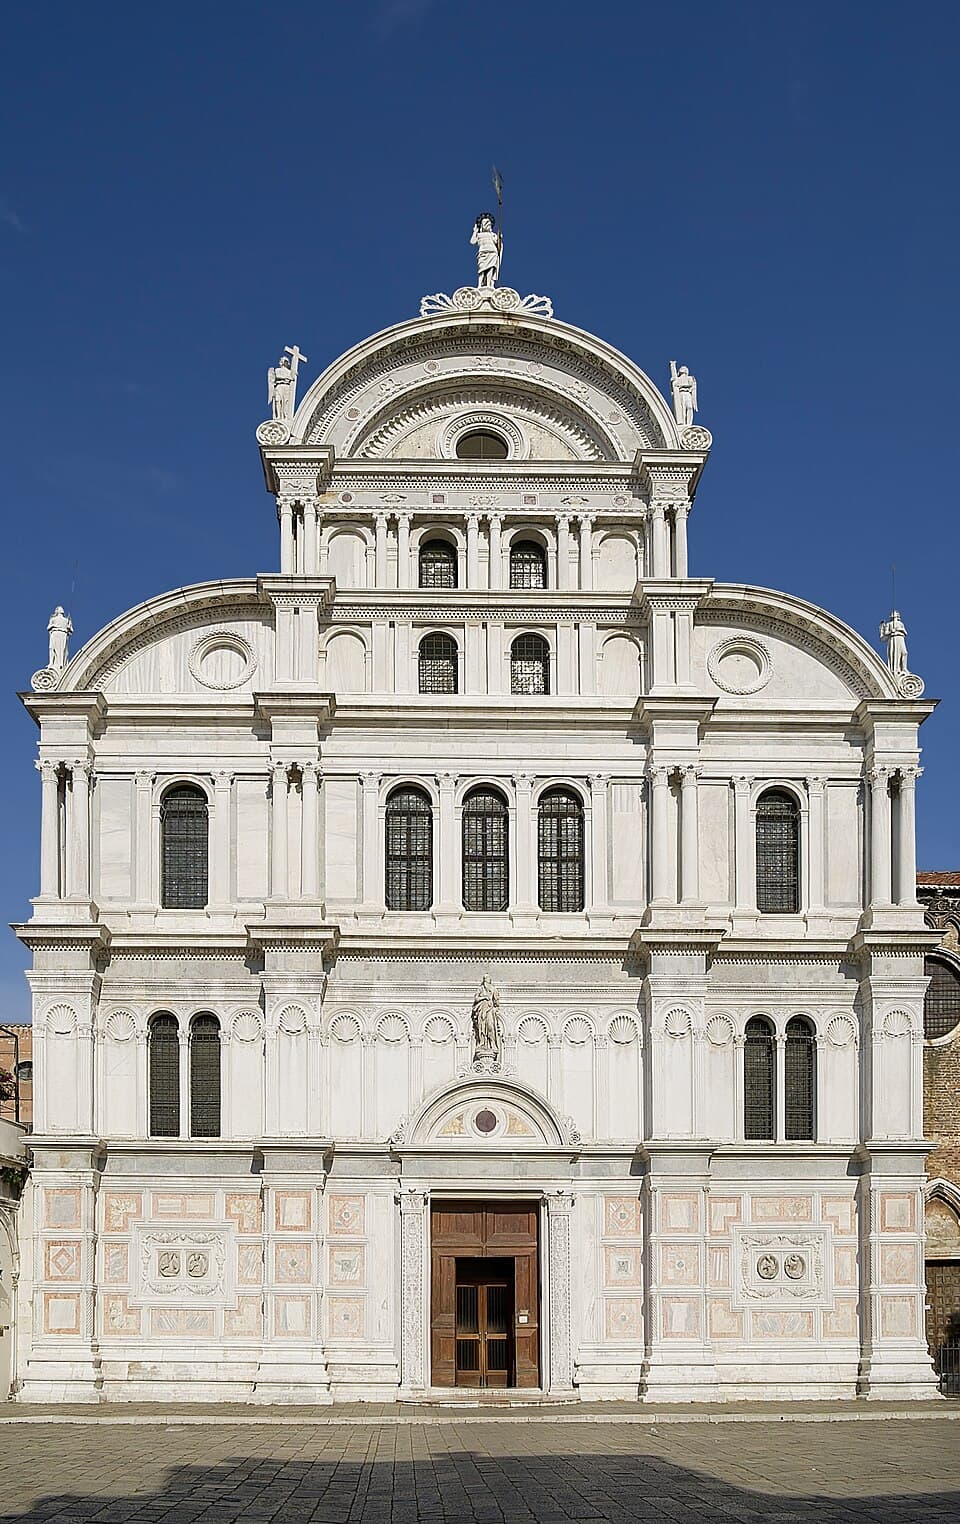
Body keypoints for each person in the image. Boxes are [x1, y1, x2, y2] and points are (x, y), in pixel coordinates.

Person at [470, 213, 501, 289]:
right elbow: (472, 241)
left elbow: (498, 243)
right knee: (482, 270)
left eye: (488, 223)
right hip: (482, 252)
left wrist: (499, 238)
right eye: (485, 223)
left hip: (492, 252)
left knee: (490, 268)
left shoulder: (493, 235)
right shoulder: (479, 235)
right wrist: (475, 231)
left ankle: (489, 284)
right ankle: (480, 285)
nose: (487, 224)